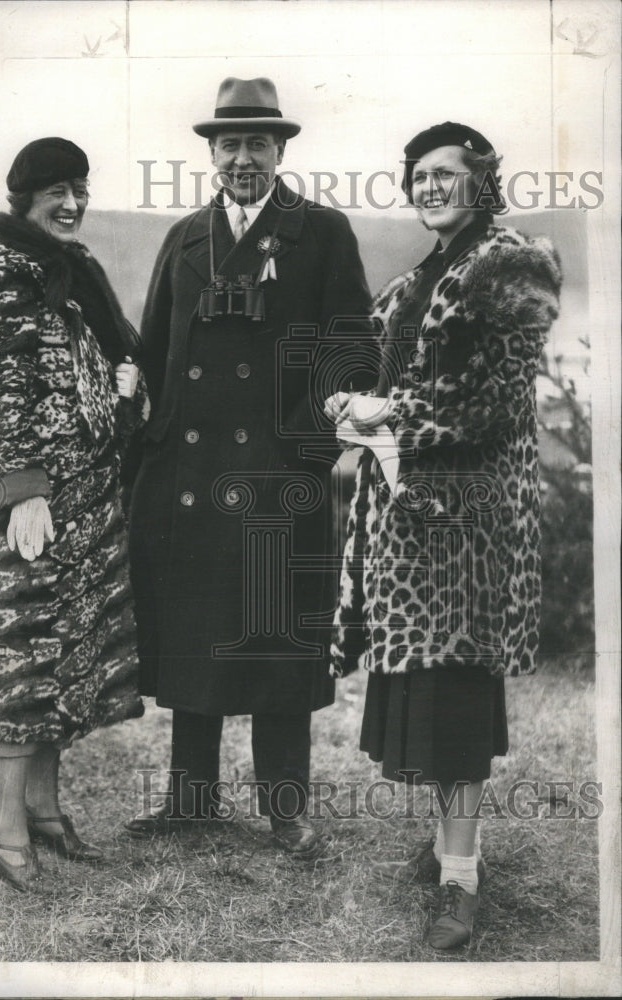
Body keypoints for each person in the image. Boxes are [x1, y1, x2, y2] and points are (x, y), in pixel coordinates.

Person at [329, 122, 562, 947]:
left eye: (445, 175)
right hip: (410, 526)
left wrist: (383, 415)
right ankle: (444, 846)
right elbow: (383, 379)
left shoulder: (510, 266)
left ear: (481, 182)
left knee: (457, 693)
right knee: (428, 694)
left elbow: (488, 400)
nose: (429, 186)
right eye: (418, 175)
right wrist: (350, 405)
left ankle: (461, 876)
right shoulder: (419, 278)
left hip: (468, 523)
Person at [126, 78, 372, 858]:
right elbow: (153, 353)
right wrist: (153, 443)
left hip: (278, 477)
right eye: (229, 144)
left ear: (281, 151)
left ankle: (286, 808)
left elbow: (352, 347)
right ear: (210, 152)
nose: (243, 158)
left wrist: (308, 442)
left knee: (273, 643)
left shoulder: (323, 233)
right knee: (198, 632)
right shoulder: (184, 238)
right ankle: (191, 799)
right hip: (192, 481)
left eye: (257, 144)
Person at [0, 137, 149, 890]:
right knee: (21, 656)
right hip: (26, 507)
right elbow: (1, 395)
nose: (72, 203)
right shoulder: (2, 280)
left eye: (80, 188)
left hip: (83, 502)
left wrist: (126, 381)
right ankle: (4, 832)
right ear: (24, 200)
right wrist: (23, 489)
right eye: (56, 191)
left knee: (65, 659)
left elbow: (99, 366)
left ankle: (43, 810)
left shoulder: (73, 272)